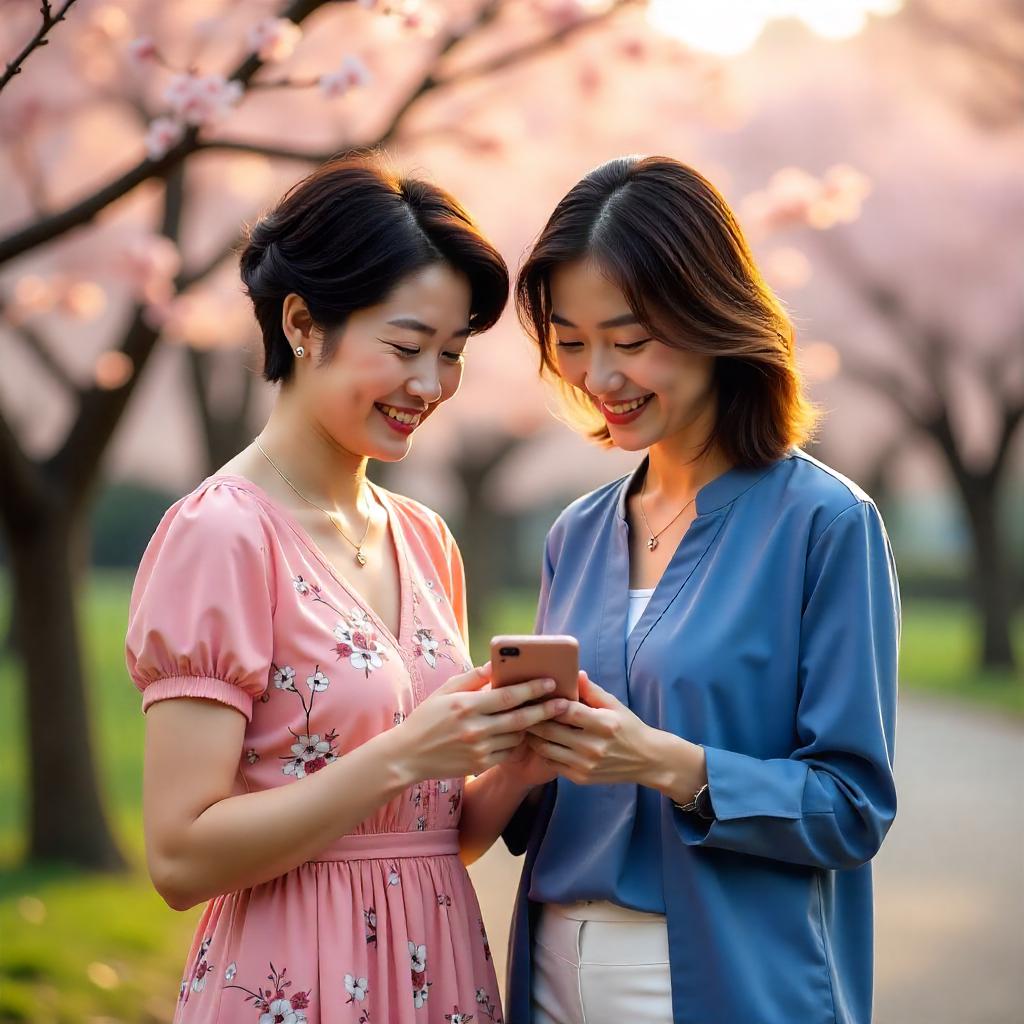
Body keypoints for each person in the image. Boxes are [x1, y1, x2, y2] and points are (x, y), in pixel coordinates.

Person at [125, 155, 567, 1024]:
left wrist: (514, 767)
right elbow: (179, 859)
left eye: (451, 354)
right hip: (292, 983)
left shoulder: (426, 539)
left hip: (438, 969)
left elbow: (427, 836)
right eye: (405, 347)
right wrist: (405, 753)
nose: (430, 386)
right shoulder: (222, 535)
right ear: (302, 322)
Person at [500, 155, 900, 1024]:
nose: (599, 377)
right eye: (571, 342)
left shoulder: (826, 525)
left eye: (631, 340)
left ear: (712, 317)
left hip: (726, 975)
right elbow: (537, 815)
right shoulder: (575, 532)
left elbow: (851, 808)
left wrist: (665, 763)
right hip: (551, 970)